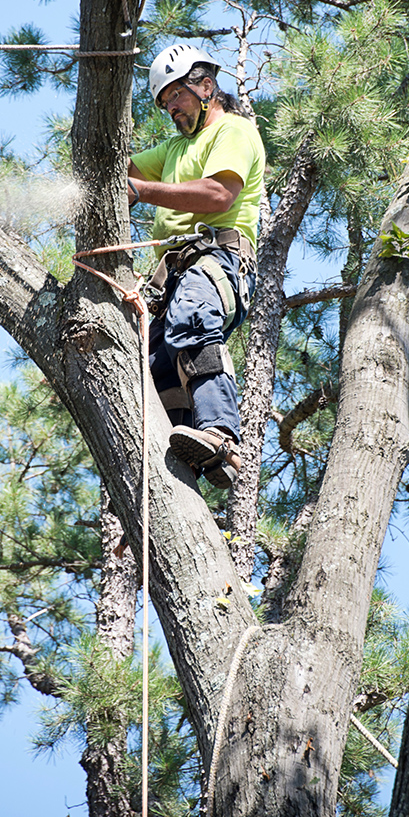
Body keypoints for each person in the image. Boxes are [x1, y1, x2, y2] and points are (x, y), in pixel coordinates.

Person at [127, 43, 266, 488]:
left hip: (217, 259)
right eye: (165, 102)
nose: (171, 108)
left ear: (206, 86)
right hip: (170, 280)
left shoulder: (234, 132)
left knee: (191, 320)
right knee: (154, 369)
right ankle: (176, 469)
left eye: (177, 96)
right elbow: (120, 171)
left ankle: (221, 434)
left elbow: (218, 195)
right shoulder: (170, 150)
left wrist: (143, 191)